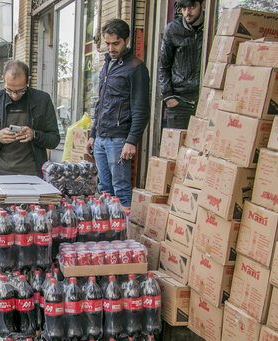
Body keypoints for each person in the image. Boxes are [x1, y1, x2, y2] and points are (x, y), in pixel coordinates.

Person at [86, 19, 150, 207]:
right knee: (104, 189)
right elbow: (100, 104)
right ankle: (108, 231)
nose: (111, 48)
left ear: (127, 40)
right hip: (101, 138)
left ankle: (124, 233)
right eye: (107, 43)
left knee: (121, 189)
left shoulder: (136, 68)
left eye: (116, 43)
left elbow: (141, 109)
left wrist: (131, 141)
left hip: (119, 139)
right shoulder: (106, 65)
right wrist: (93, 135)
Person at [0, 60, 60, 177]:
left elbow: (54, 140)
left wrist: (34, 135)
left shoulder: (42, 100)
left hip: (32, 174)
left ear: (28, 80)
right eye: (9, 90)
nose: (15, 95)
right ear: (3, 79)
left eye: (21, 91)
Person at [159, 0, 204, 129]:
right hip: (180, 102)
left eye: (192, 7)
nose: (187, 12)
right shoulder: (173, 29)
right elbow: (164, 66)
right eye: (184, 8)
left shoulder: (211, 26)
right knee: (176, 147)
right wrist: (168, 97)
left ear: (203, 4)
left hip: (204, 101)